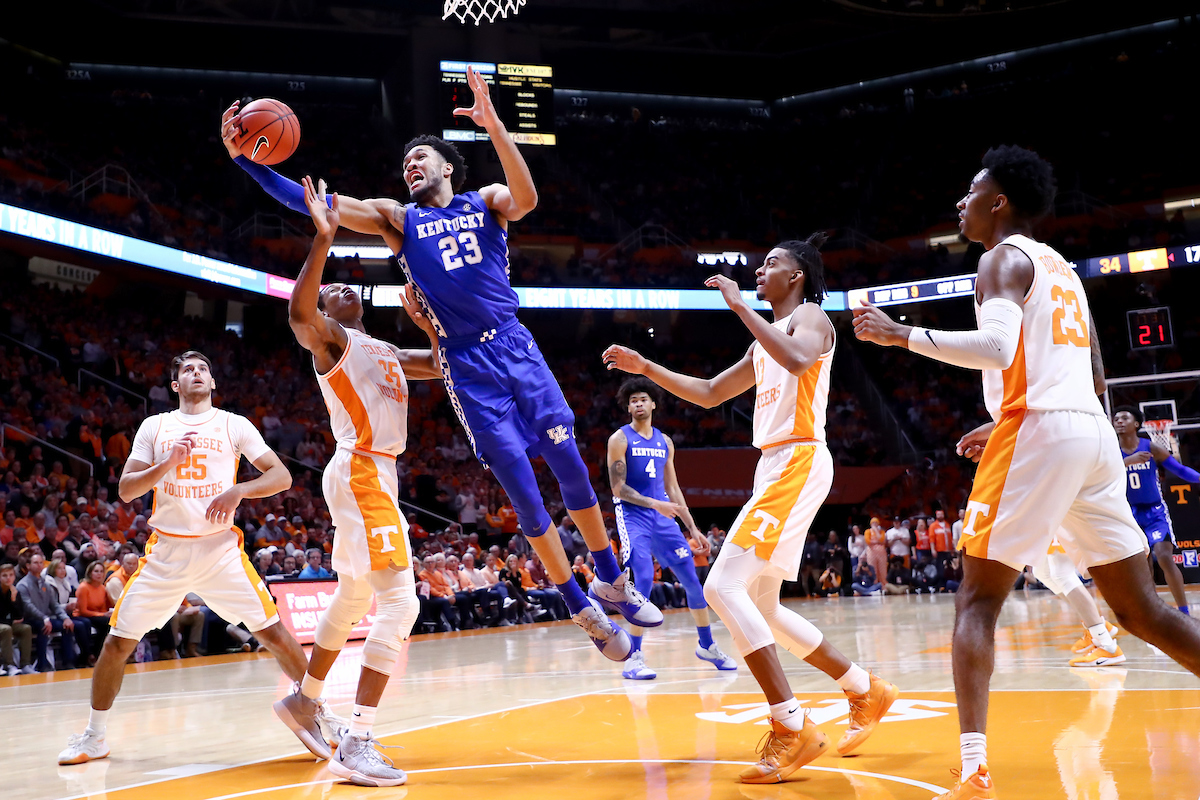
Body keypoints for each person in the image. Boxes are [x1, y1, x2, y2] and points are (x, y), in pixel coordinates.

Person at [224, 67, 657, 664]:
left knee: (569, 464)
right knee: (526, 497)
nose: (412, 166)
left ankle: (611, 576)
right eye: (406, 162)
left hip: (514, 344)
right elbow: (312, 202)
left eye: (422, 157)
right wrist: (247, 160)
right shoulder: (398, 219)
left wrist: (493, 123)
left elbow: (528, 197)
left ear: (449, 167)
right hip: (465, 361)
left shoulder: (486, 203)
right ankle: (578, 603)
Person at [852, 145, 1200, 799]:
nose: (961, 202)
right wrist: (1030, 415)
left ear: (999, 202)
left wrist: (902, 336)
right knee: (1145, 611)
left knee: (977, 601)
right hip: (1091, 430)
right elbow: (1090, 372)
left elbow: (998, 347)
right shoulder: (1061, 268)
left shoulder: (999, 258)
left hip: (1042, 428)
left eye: (971, 191)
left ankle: (976, 767)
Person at [604, 235, 898, 784]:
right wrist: (648, 367)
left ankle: (791, 726)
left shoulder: (810, 317)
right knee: (763, 608)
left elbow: (800, 356)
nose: (761, 271)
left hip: (798, 457)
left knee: (720, 586)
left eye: (772, 264)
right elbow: (712, 391)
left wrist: (740, 306)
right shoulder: (763, 342)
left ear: (798, 277)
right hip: (776, 462)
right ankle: (865, 688)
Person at [57, 351, 321, 767]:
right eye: (187, 370)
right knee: (116, 643)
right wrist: (167, 464)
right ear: (175, 385)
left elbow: (281, 476)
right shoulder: (155, 426)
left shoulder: (234, 424)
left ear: (212, 382)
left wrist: (239, 491)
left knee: (273, 633)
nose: (196, 373)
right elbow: (127, 490)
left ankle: (317, 714)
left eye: (203, 369)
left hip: (220, 550)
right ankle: (94, 736)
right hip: (167, 552)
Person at [273, 178, 442, 787]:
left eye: (349, 283)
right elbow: (299, 313)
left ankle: (304, 699)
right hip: (364, 466)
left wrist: (426, 323)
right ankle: (359, 739)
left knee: (350, 598)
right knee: (401, 602)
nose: (339, 285)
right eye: (331, 286)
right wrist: (322, 240)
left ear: (366, 303)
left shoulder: (387, 350)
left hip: (371, 474)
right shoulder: (334, 342)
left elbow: (446, 368)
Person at [606, 376, 736, 680]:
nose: (638, 404)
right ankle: (633, 656)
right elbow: (616, 487)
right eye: (633, 400)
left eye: (643, 399)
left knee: (693, 582)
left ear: (653, 404)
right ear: (628, 407)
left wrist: (692, 528)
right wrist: (655, 505)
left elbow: (673, 488)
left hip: (663, 516)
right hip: (633, 515)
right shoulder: (620, 439)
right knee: (645, 580)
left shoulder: (664, 442)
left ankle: (707, 645)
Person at [1113, 406, 1197, 615]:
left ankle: (1184, 612)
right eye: (1116, 419)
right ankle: (1151, 613)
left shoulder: (1151, 447)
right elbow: (1099, 473)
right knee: (1143, 565)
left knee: (1164, 556)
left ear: (1136, 424)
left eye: (1124, 418)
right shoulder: (1111, 452)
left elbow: (1180, 470)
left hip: (1155, 511)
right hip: (1128, 514)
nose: (1119, 421)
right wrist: (1126, 462)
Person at [18, 551, 84, 672]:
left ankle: (68, 661)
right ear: (28, 566)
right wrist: (44, 618)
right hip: (30, 619)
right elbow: (28, 606)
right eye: (35, 563)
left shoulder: (45, 583)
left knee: (67, 626)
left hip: (46, 618)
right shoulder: (23, 585)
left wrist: (65, 618)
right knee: (44, 627)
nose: (38, 565)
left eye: (40, 563)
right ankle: (42, 664)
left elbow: (54, 605)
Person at [1, 562, 34, 675]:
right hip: (4, 624)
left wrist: (13, 599)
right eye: (4, 575)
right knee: (6, 629)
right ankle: (8, 665)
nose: (8, 578)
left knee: (25, 628)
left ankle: (25, 664)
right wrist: (10, 621)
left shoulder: (14, 591)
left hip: (6, 623)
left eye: (11, 575)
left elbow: (19, 616)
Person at [75, 561, 113, 659]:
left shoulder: (102, 588)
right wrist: (102, 615)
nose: (99, 574)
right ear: (90, 573)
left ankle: (99, 653)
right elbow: (83, 611)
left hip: (96, 615)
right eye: (96, 571)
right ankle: (89, 654)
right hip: (82, 615)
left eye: (101, 571)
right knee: (101, 622)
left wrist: (105, 614)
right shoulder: (84, 587)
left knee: (109, 622)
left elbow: (103, 608)